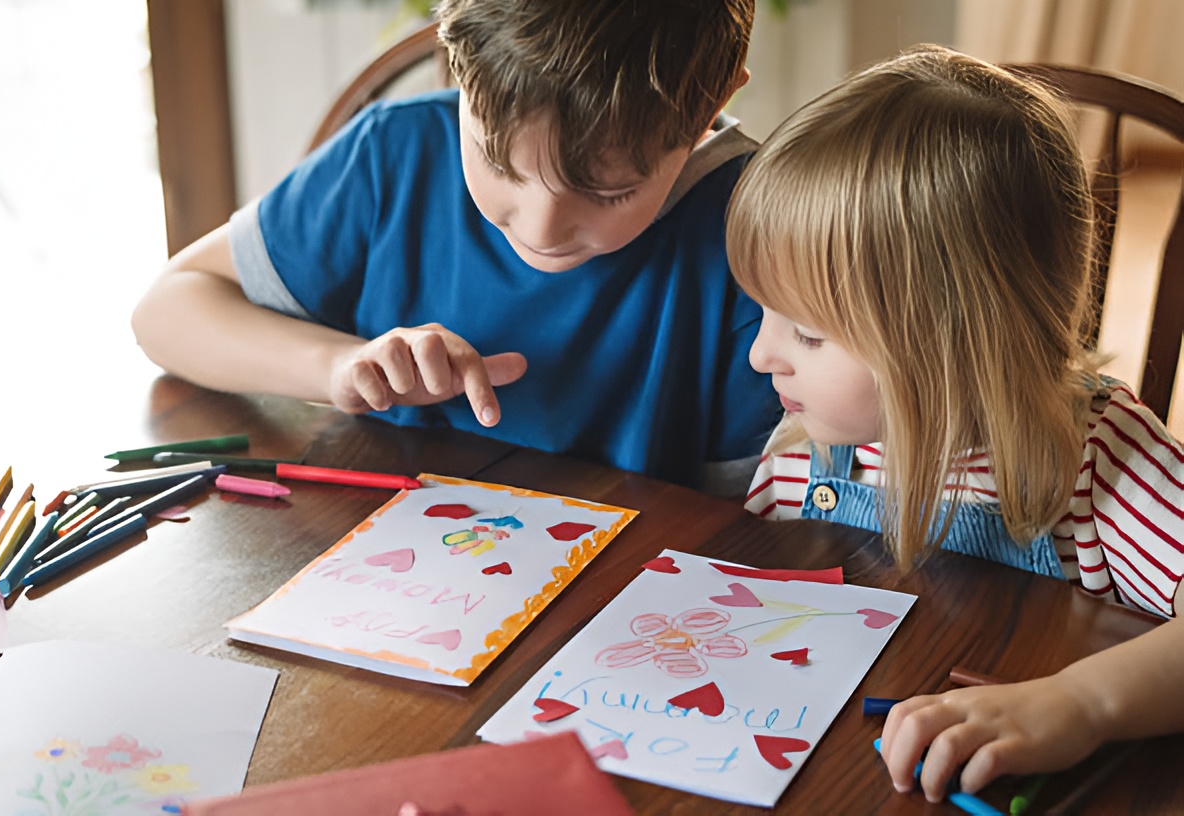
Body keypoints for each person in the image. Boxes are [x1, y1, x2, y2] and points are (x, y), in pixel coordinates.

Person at [726, 44, 1184, 803]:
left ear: (954, 344)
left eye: (808, 333)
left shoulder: (1102, 461)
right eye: (764, 312)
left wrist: (1081, 703)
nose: (761, 355)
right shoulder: (808, 451)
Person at [131, 0, 780, 495]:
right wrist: (338, 367)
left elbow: (747, 510)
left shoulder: (753, 236)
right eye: (499, 162)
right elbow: (167, 310)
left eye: (608, 192)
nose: (540, 227)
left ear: (710, 108)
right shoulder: (394, 158)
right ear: (457, 61)